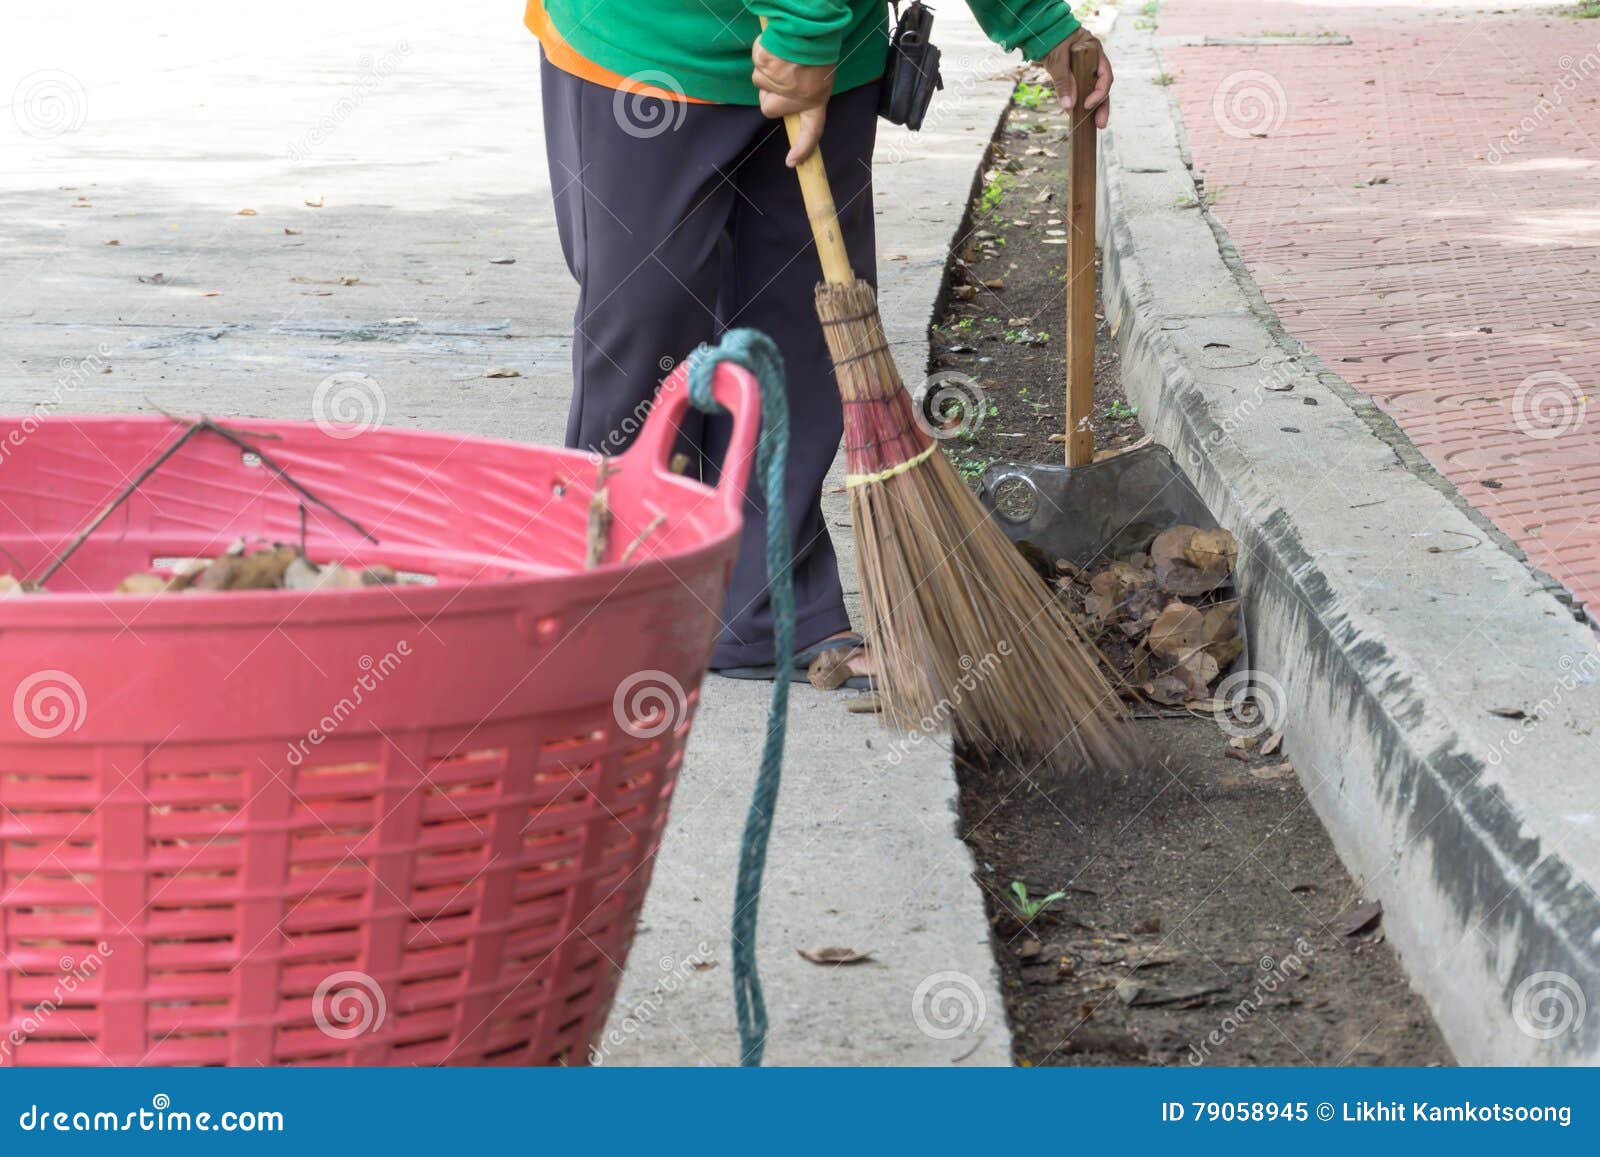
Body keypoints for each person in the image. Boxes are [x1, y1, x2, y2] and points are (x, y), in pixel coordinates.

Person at [528, 1, 1112, 688]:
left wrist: (1036, 21)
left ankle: (763, 605)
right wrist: (802, 28)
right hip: (652, 42)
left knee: (802, 329)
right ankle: (614, 592)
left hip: (837, 48)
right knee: (647, 319)